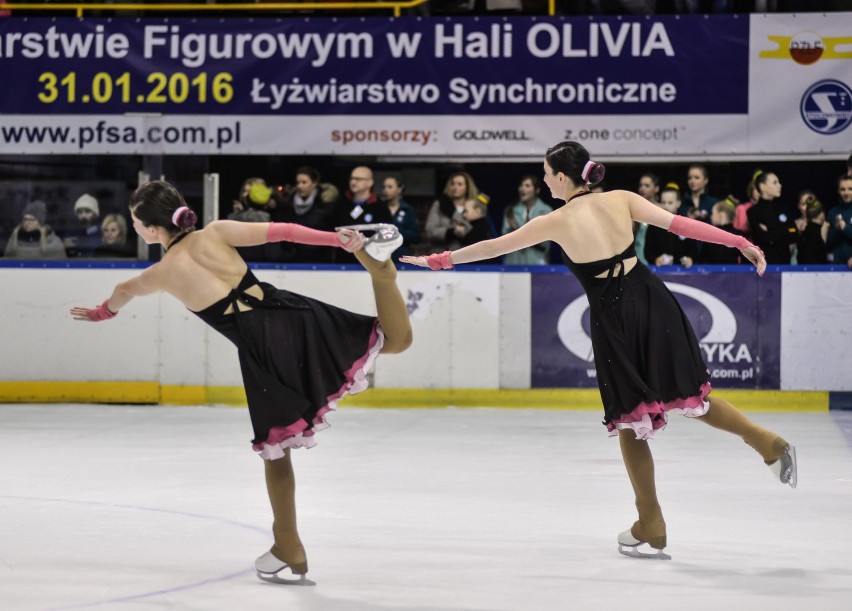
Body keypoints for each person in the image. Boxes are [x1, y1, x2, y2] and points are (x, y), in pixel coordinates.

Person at [401, 141, 796, 560]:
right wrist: (737, 241)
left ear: (562, 177)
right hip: (653, 299)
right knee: (691, 396)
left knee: (630, 418)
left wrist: (439, 261)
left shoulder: (554, 220)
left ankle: (651, 521)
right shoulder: (622, 199)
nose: (543, 179)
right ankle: (766, 442)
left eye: (546, 172)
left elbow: (492, 248)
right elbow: (681, 225)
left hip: (614, 315)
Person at [71, 180, 411, 585]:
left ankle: (288, 545)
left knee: (276, 449)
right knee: (395, 341)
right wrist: (342, 241)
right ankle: (382, 274)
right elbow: (285, 230)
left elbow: (121, 292)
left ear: (148, 228)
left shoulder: (161, 274)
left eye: (135, 222)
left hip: (262, 349)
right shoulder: (216, 232)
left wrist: (100, 314)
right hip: (290, 312)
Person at [271, 165, 340, 263]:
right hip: (293, 258)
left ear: (314, 183)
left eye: (304, 182)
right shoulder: (288, 202)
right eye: (298, 182)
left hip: (319, 259)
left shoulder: (324, 203)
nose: (299, 186)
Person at [335, 166, 392, 263]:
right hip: (343, 261)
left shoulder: (380, 207)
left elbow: (386, 236)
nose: (353, 182)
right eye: (352, 178)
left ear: (370, 182)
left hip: (371, 262)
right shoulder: (342, 204)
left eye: (358, 179)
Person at [746, 170, 797, 264]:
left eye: (779, 182)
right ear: (763, 186)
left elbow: (794, 231)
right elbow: (761, 238)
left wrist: (771, 232)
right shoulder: (753, 212)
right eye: (775, 182)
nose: (780, 185)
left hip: (784, 263)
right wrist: (785, 231)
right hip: (764, 264)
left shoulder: (784, 209)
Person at [502, 174, 553, 265]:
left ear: (536, 190)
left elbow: (545, 240)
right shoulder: (511, 210)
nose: (522, 189)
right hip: (513, 262)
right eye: (521, 186)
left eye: (527, 186)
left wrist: (518, 230)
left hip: (536, 262)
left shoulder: (546, 211)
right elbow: (504, 239)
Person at [643, 183, 697, 268]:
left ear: (678, 203)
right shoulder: (653, 225)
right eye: (663, 202)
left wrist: (690, 259)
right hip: (660, 274)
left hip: (684, 273)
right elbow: (648, 251)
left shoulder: (686, 225)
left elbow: (693, 248)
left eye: (670, 203)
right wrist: (656, 259)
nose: (666, 206)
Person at [424, 171, 480, 254]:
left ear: (467, 187)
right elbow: (430, 231)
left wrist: (463, 230)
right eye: (452, 184)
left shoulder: (475, 207)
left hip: (466, 256)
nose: (455, 187)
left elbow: (479, 232)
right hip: (440, 254)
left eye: (459, 184)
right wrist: (451, 232)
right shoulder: (439, 204)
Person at [380, 174, 420, 261]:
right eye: (384, 187)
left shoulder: (407, 210)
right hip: (380, 255)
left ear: (400, 189)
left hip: (400, 256)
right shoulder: (378, 208)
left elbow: (416, 237)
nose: (385, 190)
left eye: (390, 187)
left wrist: (397, 231)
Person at [698, 200, 745, 265]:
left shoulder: (710, 235)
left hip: (717, 274)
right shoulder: (739, 235)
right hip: (734, 274)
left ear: (721, 215)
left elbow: (701, 260)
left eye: (713, 213)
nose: (711, 216)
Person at [826, 175, 852, 267]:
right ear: (838, 191)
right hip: (835, 265)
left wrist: (845, 227)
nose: (846, 193)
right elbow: (827, 242)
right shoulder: (832, 212)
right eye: (842, 189)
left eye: (850, 189)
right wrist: (837, 229)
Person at [796, 199, 829, 264]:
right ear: (821, 215)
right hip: (817, 271)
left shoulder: (803, 232)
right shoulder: (818, 231)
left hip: (801, 270)